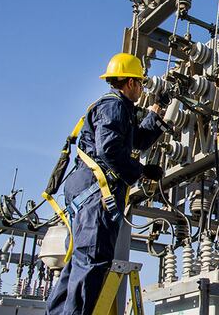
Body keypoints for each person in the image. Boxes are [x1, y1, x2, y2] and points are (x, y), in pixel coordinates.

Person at [47, 53, 166, 315]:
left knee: (78, 263)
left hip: (85, 191)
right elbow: (110, 149)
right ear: (131, 83)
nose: (143, 89)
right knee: (92, 260)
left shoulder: (116, 108)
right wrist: (141, 170)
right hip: (96, 193)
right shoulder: (115, 106)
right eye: (141, 83)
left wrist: (155, 116)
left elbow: (136, 141)